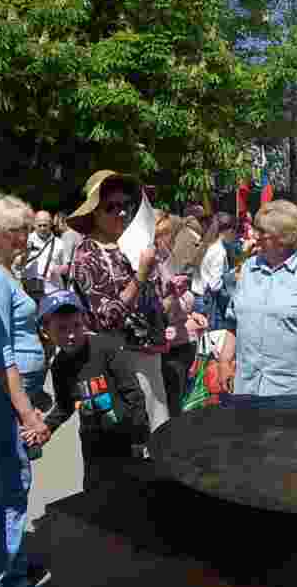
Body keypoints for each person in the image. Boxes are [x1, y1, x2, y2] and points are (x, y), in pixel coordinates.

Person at [0, 194, 52, 587]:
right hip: (7, 396)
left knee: (11, 480)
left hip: (13, 394)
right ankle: (11, 579)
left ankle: (12, 566)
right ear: (3, 234)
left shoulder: (2, 271)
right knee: (13, 482)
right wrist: (27, 412)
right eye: (21, 229)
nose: (27, 236)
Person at [67, 170, 169, 435]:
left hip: (149, 357)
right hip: (117, 363)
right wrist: (141, 276)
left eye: (126, 206)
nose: (122, 213)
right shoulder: (86, 255)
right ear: (95, 213)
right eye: (112, 207)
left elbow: (151, 300)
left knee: (158, 438)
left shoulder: (130, 245)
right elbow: (105, 318)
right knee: (129, 439)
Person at [216, 200, 297, 395]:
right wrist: (224, 362)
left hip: (295, 394)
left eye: (262, 231)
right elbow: (232, 322)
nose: (254, 236)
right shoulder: (248, 268)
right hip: (247, 389)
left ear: (284, 237)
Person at [38, 291, 149, 490]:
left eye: (76, 326)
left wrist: (139, 439)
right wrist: (47, 427)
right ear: (46, 331)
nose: (71, 334)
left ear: (85, 321)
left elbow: (134, 396)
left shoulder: (107, 348)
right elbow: (65, 405)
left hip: (123, 439)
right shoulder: (59, 366)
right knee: (94, 495)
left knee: (130, 494)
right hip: (92, 442)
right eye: (61, 329)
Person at [153, 211, 207, 414]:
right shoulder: (151, 266)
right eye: (172, 234)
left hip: (184, 342)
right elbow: (158, 311)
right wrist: (176, 298)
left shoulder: (169, 260)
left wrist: (192, 315)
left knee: (183, 401)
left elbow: (182, 302)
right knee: (173, 408)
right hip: (169, 347)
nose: (176, 239)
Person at [191, 212, 237, 331]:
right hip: (210, 302)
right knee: (213, 339)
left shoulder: (205, 245)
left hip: (197, 298)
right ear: (229, 230)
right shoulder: (219, 251)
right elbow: (215, 285)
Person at [23, 210, 69, 298]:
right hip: (29, 291)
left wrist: (59, 270)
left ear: (51, 225)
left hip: (53, 292)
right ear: (34, 225)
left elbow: (67, 266)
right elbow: (15, 265)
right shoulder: (25, 241)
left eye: (45, 225)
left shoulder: (60, 243)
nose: (42, 228)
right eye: (39, 225)